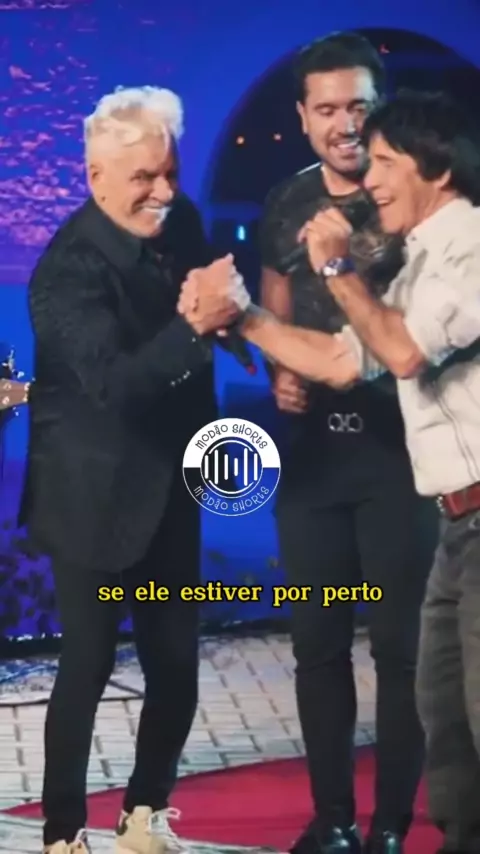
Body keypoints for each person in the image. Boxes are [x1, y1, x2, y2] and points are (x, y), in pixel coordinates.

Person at [180, 88, 480, 854]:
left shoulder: (472, 247)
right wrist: (244, 317)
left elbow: (402, 352)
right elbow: (345, 359)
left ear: (437, 167)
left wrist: (339, 266)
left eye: (383, 161)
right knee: (450, 730)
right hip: (456, 523)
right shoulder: (415, 262)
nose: (367, 179)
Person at [20, 85, 238, 854]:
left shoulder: (183, 222)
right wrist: (195, 325)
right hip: (90, 491)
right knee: (86, 663)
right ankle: (62, 833)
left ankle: (145, 815)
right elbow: (113, 385)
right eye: (144, 177)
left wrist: (231, 320)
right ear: (96, 177)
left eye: (170, 172)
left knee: (175, 662)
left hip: (172, 481)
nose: (164, 191)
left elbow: (211, 313)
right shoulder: (65, 273)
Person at [259, 32, 438, 854]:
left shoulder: (410, 198)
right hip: (311, 465)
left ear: (380, 107)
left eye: (358, 106)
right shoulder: (285, 203)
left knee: (402, 653)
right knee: (318, 648)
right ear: (302, 117)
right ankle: (330, 820)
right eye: (326, 108)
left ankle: (391, 825)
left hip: (400, 459)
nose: (344, 124)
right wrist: (278, 374)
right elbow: (272, 306)